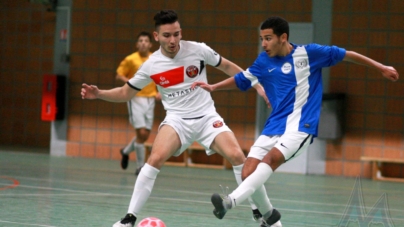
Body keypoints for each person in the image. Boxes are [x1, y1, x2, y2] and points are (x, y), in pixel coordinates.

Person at [192, 16, 399, 227]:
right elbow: (241, 79)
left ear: (283, 37)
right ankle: (270, 216)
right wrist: (214, 87)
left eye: (268, 38)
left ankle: (230, 202)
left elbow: (348, 55)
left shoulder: (310, 54)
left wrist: (381, 67)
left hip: (301, 126)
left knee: (270, 160)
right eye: (261, 38)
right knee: (247, 172)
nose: (264, 44)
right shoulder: (263, 61)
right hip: (274, 125)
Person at [81, 10, 269, 227]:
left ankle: (258, 212)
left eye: (176, 34)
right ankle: (129, 218)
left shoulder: (198, 50)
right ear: (156, 36)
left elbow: (227, 66)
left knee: (238, 156)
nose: (173, 40)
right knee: (154, 160)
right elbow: (126, 93)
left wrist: (254, 83)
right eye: (167, 35)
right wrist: (100, 94)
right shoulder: (152, 65)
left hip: (207, 116)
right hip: (177, 120)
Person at [115, 31, 160, 175]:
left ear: (150, 44)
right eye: (140, 41)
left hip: (150, 98)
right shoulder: (130, 59)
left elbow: (160, 76)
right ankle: (140, 167)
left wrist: (160, 91)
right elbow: (119, 74)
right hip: (136, 98)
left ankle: (125, 151)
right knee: (140, 133)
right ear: (137, 44)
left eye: (146, 41)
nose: (143, 43)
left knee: (145, 135)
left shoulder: (155, 58)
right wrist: (130, 84)